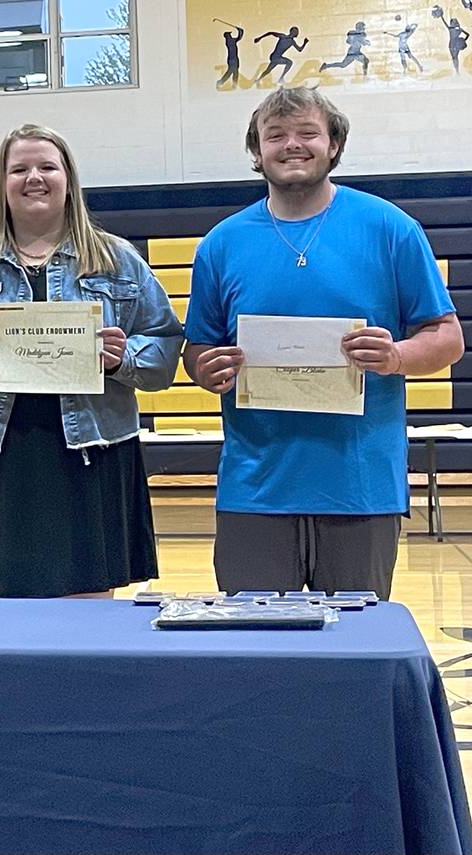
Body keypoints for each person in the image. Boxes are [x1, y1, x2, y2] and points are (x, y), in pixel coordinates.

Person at [183, 87, 462, 600]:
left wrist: (397, 356)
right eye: (276, 135)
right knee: (257, 654)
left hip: (360, 486)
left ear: (333, 144)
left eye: (307, 133)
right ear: (257, 151)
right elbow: (197, 348)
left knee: (354, 654)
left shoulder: (391, 228)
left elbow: (447, 338)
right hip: (256, 488)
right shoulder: (221, 243)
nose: (292, 145)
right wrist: (207, 368)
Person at [0, 124, 183, 599]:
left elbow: (163, 348)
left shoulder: (117, 260)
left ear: (68, 180)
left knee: (91, 611)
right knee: (7, 620)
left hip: (93, 451)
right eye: (20, 169)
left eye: (47, 167)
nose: (34, 177)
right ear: (1, 184)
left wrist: (122, 360)